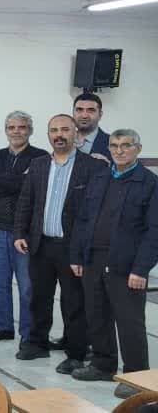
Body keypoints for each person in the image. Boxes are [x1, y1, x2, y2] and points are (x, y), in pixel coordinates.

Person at [13, 114, 105, 374]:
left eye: (65, 129)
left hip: (72, 248)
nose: (59, 135)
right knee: (39, 298)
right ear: (48, 134)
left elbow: (95, 213)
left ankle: (76, 353)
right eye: (54, 130)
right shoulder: (39, 164)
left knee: (73, 302)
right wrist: (19, 233)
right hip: (40, 244)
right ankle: (37, 343)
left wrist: (84, 249)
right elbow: (26, 201)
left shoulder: (91, 167)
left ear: (75, 133)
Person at [69, 129, 157, 400]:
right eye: (115, 145)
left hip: (126, 265)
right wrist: (77, 256)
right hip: (93, 259)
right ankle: (103, 364)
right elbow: (83, 220)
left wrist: (141, 269)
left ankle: (136, 376)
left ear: (137, 149)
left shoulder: (149, 183)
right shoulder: (99, 178)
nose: (119, 150)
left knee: (129, 321)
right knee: (97, 315)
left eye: (126, 145)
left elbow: (154, 231)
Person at [0, 111, 47, 343]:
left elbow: (32, 188)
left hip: (25, 233)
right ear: (6, 130)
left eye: (21, 127)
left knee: (27, 287)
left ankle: (28, 334)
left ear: (30, 130)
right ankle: (3, 327)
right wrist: (16, 180)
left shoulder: (40, 157)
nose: (16, 131)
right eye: (11, 127)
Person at [73, 92, 113, 163]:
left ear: (100, 115)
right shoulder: (63, 139)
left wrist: (108, 167)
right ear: (73, 113)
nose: (84, 115)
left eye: (90, 110)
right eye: (79, 110)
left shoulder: (113, 143)